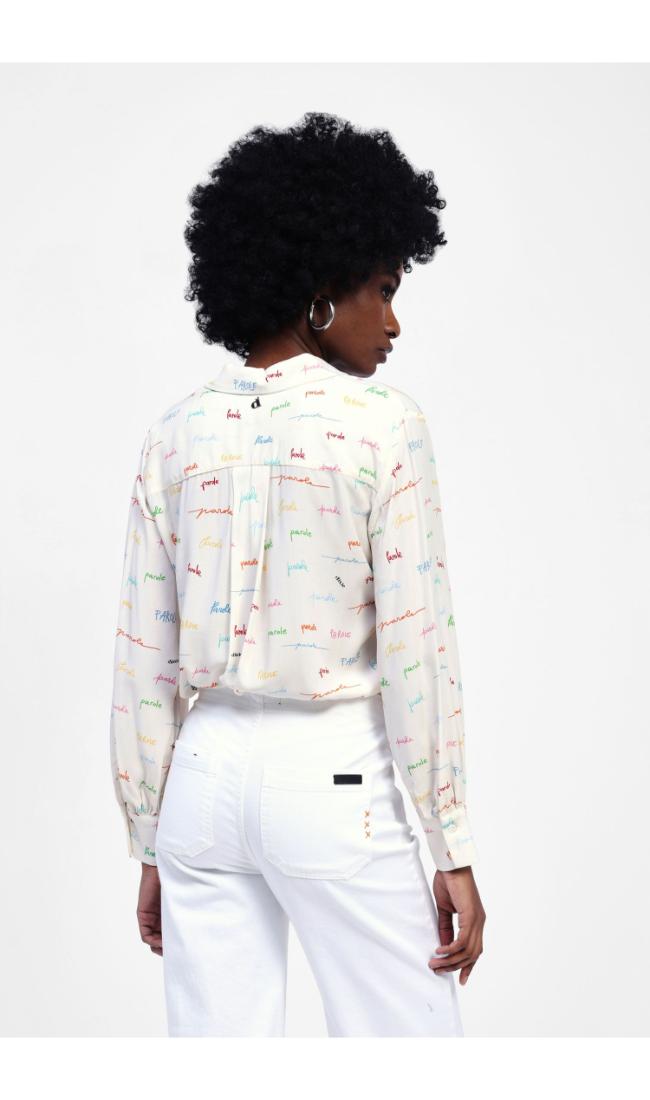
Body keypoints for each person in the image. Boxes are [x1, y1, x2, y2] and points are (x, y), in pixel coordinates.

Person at [109, 111, 486, 1037]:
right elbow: (418, 653)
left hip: (201, 787)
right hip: (332, 780)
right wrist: (451, 843)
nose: (393, 322)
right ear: (320, 291)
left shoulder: (174, 434)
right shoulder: (384, 424)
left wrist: (152, 837)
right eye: (383, 289)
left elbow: (143, 663)